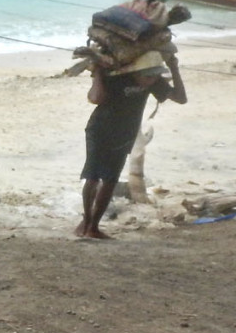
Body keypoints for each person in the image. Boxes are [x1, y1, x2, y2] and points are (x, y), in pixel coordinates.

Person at [76, 50, 186, 238]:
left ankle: (93, 226)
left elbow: (181, 98)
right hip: (99, 130)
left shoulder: (154, 81)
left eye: (154, 75)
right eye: (148, 76)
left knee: (110, 180)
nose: (151, 80)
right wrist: (99, 74)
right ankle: (86, 222)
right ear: (137, 70)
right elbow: (94, 98)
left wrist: (175, 68)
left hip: (124, 135)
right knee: (92, 176)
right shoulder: (117, 77)